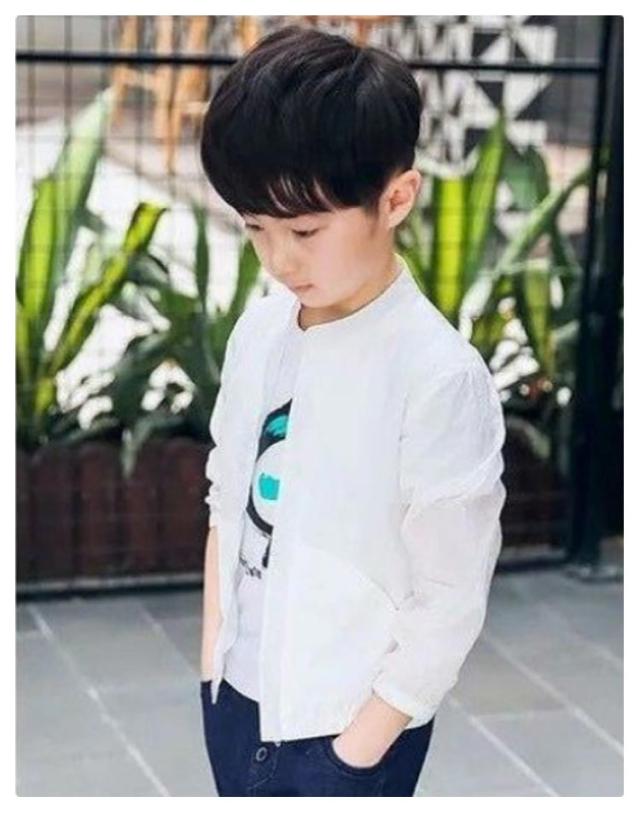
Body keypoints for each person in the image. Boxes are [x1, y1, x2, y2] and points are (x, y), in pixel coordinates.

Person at [197, 24, 507, 797]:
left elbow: (451, 594)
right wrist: (213, 667)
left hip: (343, 736)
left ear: (395, 198)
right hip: (237, 704)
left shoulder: (437, 376)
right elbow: (226, 499)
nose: (279, 259)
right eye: (256, 228)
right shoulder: (260, 332)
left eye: (305, 229)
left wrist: (358, 747)